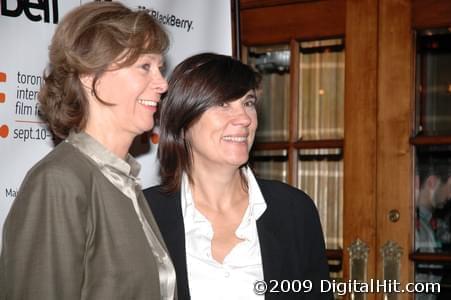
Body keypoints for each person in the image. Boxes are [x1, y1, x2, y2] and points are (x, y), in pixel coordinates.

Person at [0, 2, 176, 299]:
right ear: (89, 74)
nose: (162, 83)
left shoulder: (123, 180)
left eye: (159, 69)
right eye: (145, 66)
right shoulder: (60, 181)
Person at [144, 53, 332, 300]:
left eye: (248, 103)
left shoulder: (294, 210)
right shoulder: (145, 214)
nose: (244, 118)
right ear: (183, 118)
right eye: (223, 104)